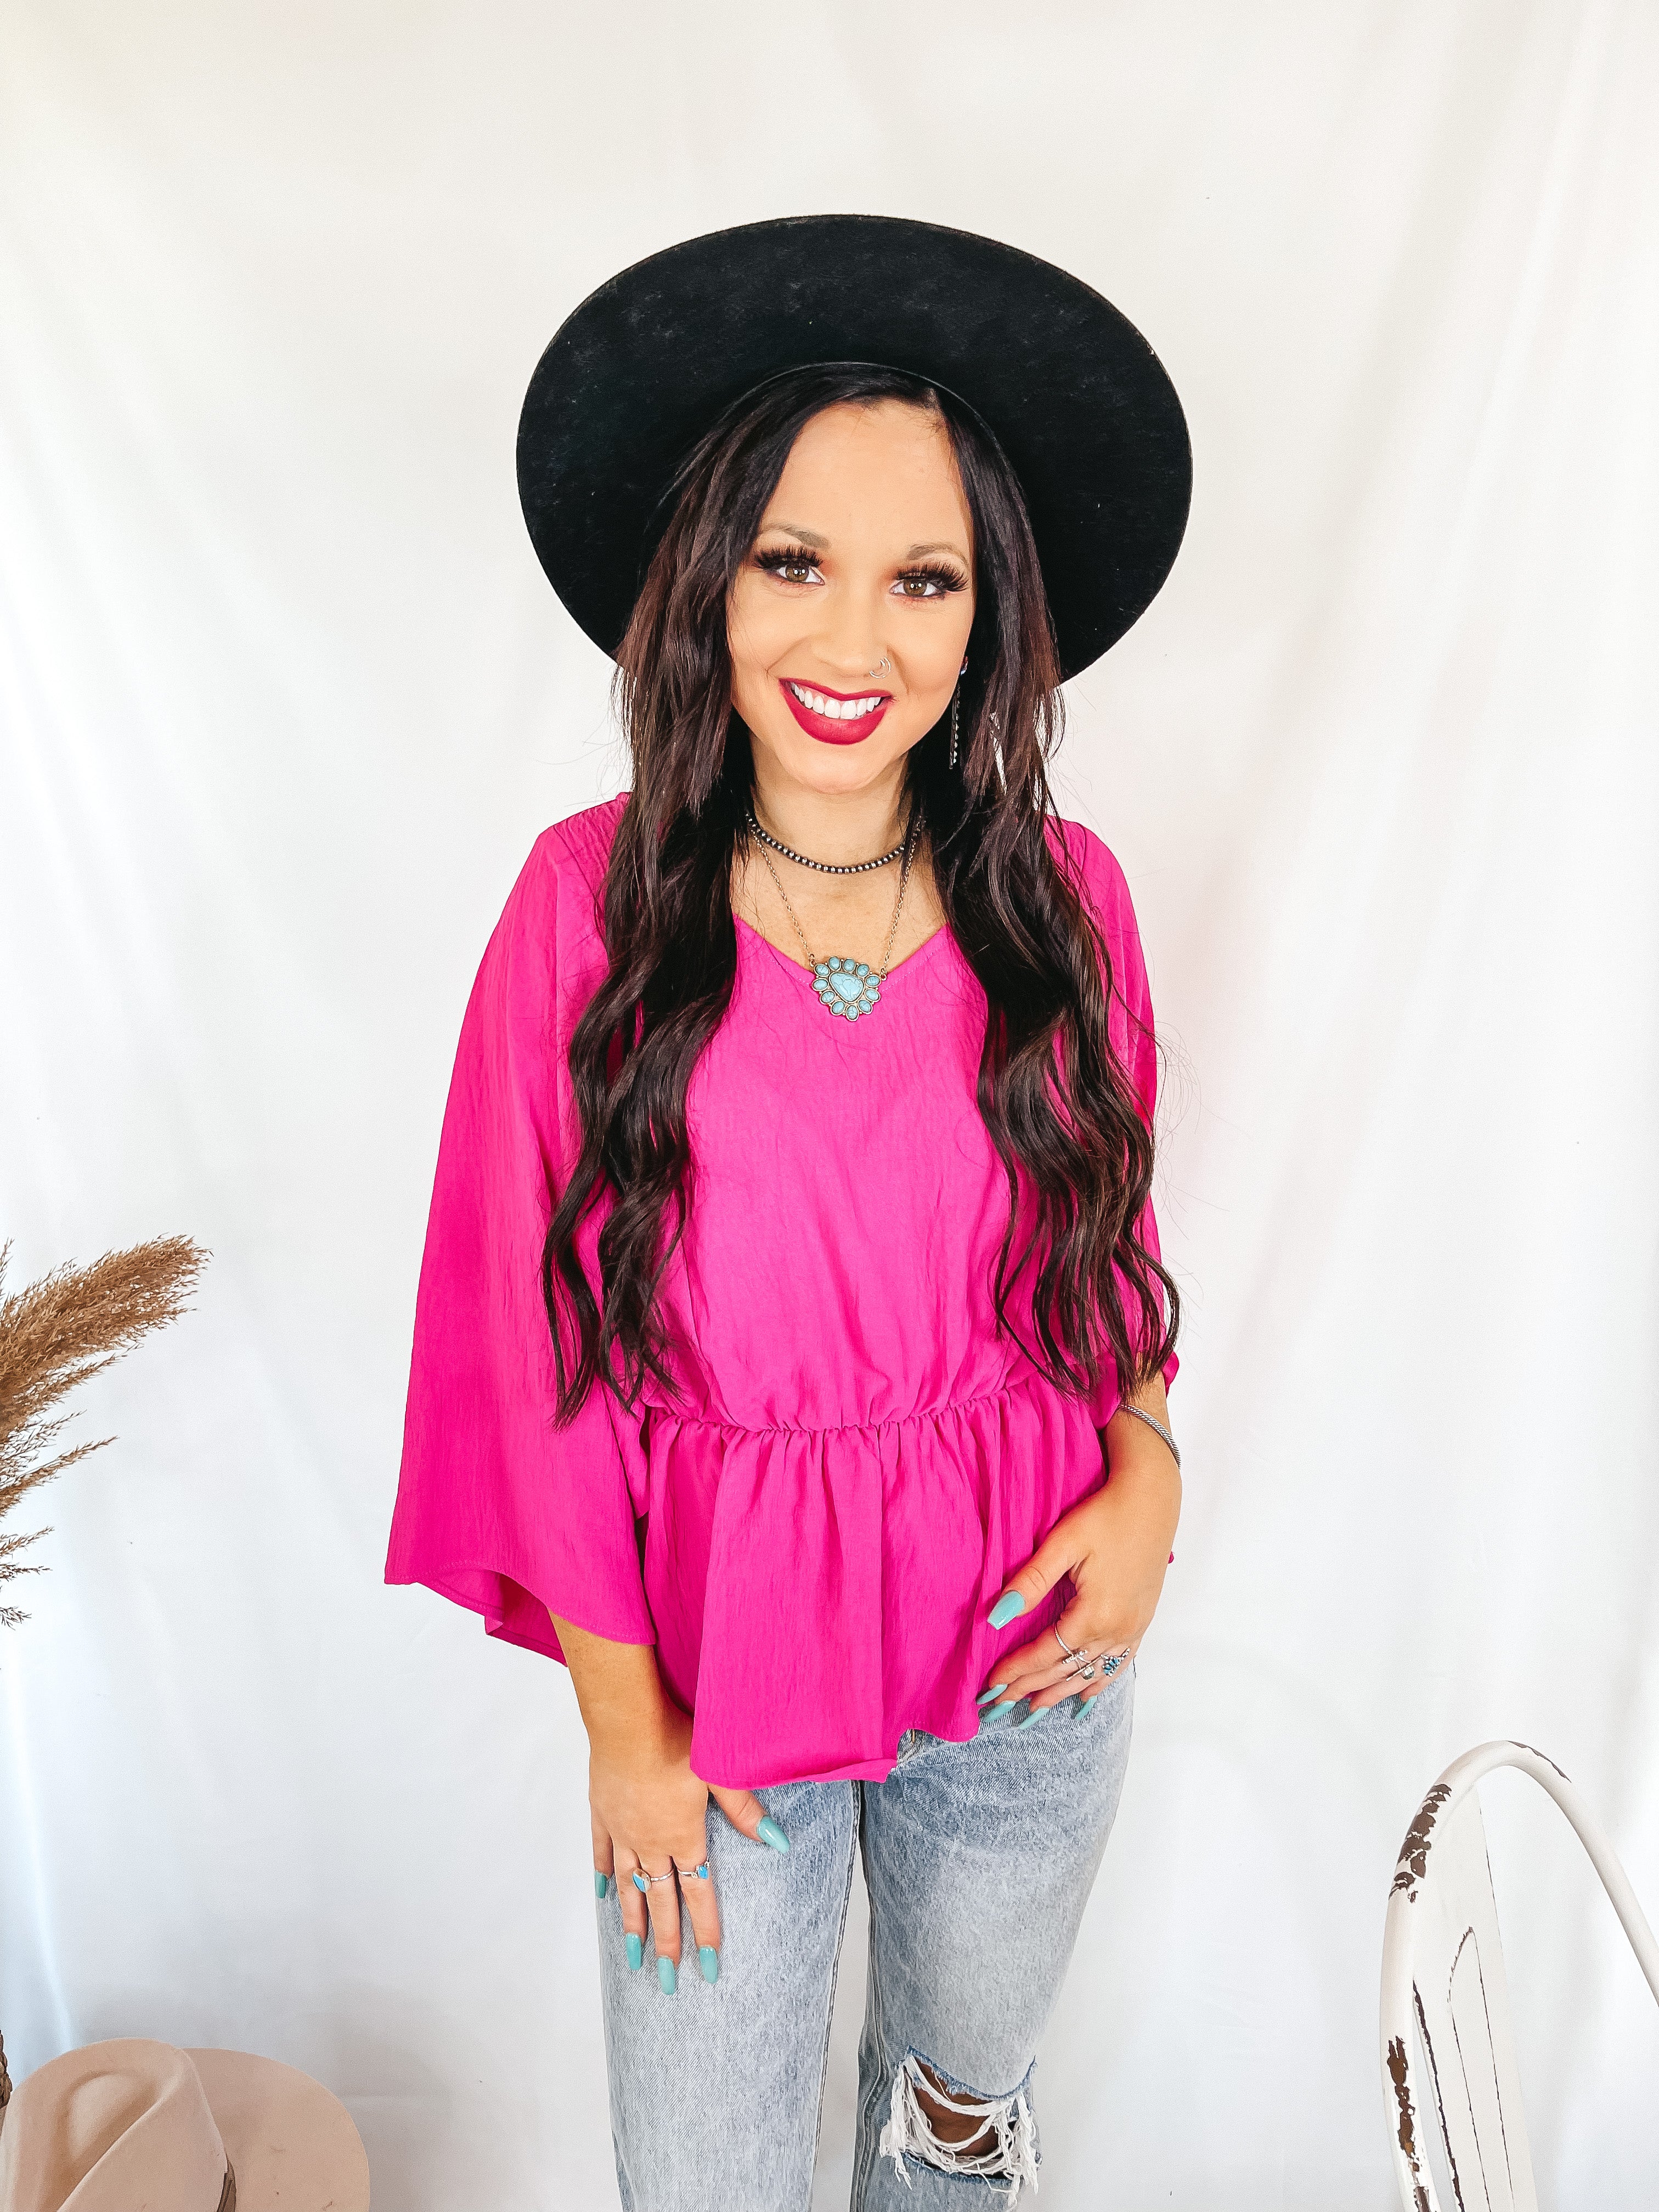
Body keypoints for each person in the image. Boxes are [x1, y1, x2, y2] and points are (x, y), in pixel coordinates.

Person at [386, 215, 1192, 2211]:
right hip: (709, 1681)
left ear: (989, 615)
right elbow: (524, 1342)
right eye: (792, 564)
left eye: (924, 580)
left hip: (1027, 1655)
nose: (854, 646)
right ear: (707, 583)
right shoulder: (581, 910)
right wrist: (624, 1728)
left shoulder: (1069, 901)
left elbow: (1105, 1250)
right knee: (708, 2180)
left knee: (956, 2144)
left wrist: (1150, 1470)